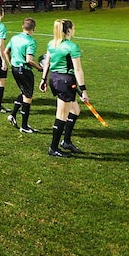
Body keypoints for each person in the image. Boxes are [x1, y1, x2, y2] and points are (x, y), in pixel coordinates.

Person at [40, 19, 88, 157]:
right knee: (61, 115)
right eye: (73, 27)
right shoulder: (72, 47)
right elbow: (78, 70)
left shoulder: (51, 43)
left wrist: (43, 79)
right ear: (68, 30)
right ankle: (53, 148)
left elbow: (47, 62)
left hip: (54, 79)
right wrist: (83, 90)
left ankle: (66, 141)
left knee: (75, 110)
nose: (74, 30)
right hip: (65, 81)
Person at [6, 18, 43, 133]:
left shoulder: (14, 38)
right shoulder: (31, 42)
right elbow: (29, 60)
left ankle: (12, 115)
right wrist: (39, 67)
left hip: (15, 69)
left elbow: (6, 51)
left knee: (23, 93)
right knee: (28, 97)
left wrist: (11, 64)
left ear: (23, 26)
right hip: (25, 71)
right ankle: (24, 126)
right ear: (33, 29)